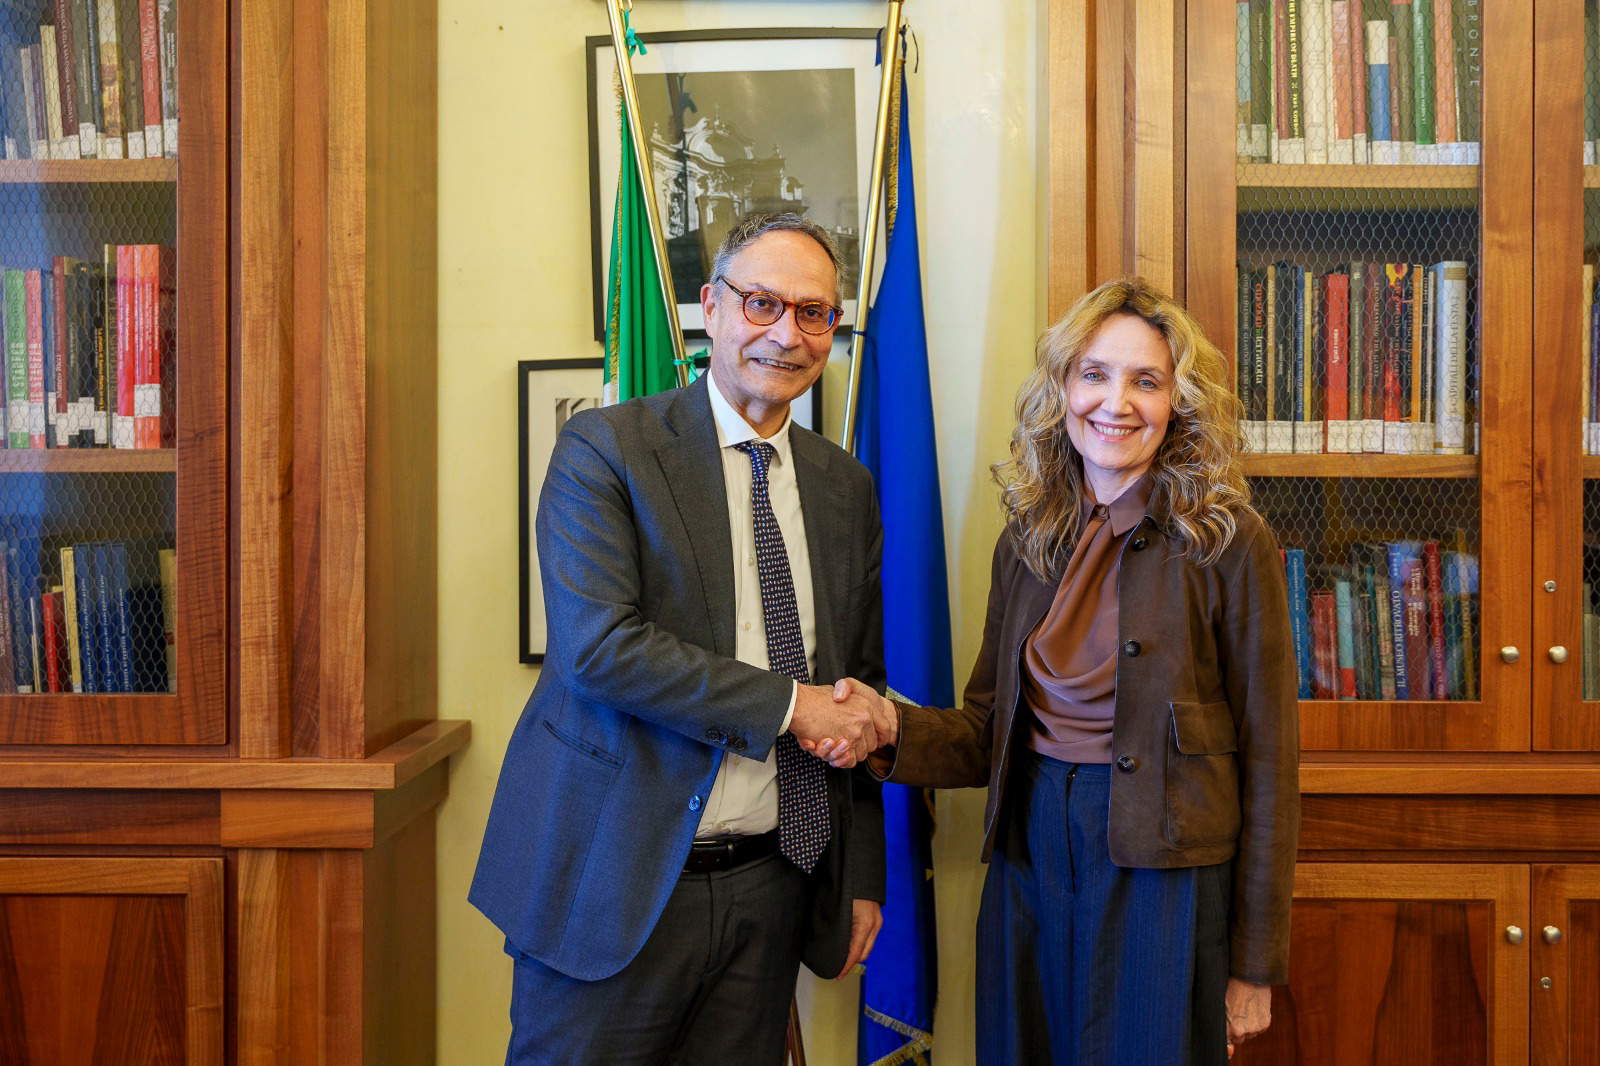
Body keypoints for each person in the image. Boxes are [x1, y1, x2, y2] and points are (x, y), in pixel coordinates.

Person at [815, 277, 1299, 1064]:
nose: (1116, 403)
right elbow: (987, 729)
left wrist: (1254, 965)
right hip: (1030, 852)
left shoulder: (1226, 540)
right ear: (1062, 389)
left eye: (1146, 381)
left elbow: (1271, 763)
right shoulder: (1029, 538)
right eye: (1094, 374)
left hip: (1166, 873)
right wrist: (887, 726)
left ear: (1179, 402)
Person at [472, 212, 893, 1065]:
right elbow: (600, 650)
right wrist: (793, 707)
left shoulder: (844, 487)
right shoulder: (607, 448)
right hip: (614, 877)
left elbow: (856, 687)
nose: (787, 333)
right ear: (713, 304)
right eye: (763, 302)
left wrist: (859, 875)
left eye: (814, 312)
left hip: (771, 885)